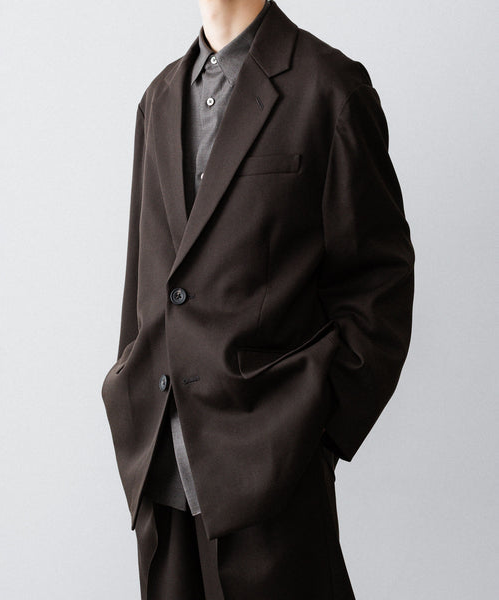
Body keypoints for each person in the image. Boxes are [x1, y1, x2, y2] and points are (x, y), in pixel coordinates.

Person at [101, 1, 415, 598]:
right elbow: (145, 277)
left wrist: (314, 428)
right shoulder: (159, 99)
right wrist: (129, 388)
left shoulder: (330, 87)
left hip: (270, 475)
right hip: (162, 476)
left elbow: (381, 283)